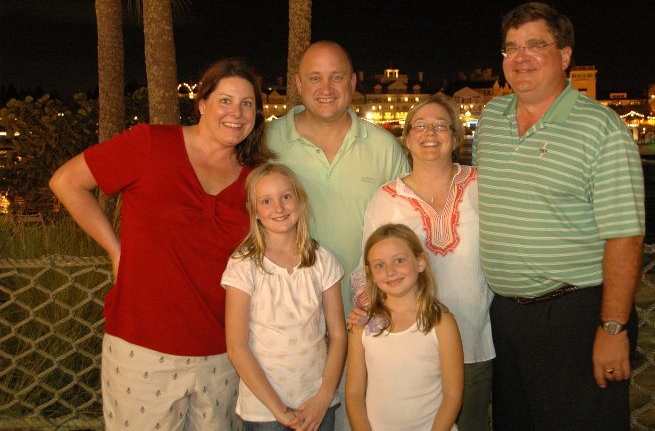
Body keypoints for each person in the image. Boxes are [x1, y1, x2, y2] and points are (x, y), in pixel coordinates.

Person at [49, 57, 270, 430]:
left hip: (223, 351)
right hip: (142, 345)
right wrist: (115, 250)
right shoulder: (151, 143)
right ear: (201, 104)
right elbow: (67, 182)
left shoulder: (255, 179)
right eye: (226, 100)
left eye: (247, 103)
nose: (237, 112)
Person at [473, 2, 645, 430]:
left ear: (564, 56)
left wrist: (612, 327)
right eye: (511, 48)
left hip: (575, 315)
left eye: (535, 45)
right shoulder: (491, 119)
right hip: (505, 318)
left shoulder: (600, 128)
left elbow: (625, 236)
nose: (521, 57)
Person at [265, 40, 408, 430]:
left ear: (353, 82)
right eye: (315, 78)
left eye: (337, 77)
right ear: (297, 83)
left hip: (368, 320)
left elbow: (405, 234)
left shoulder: (383, 147)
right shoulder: (266, 143)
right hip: (289, 328)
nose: (326, 88)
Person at [349, 95, 494, 430]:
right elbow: (366, 269)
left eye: (441, 125)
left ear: (456, 138)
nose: (431, 132)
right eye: (421, 125)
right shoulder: (387, 198)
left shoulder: (481, 185)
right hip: (404, 347)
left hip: (472, 342)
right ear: (407, 137)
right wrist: (365, 307)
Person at [223, 163, 346, 431]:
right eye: (266, 201)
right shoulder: (243, 266)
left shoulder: (322, 260)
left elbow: (338, 335)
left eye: (286, 197)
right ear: (254, 211)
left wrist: (323, 397)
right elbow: (236, 347)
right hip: (264, 410)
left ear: (300, 202)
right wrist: (279, 410)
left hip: (318, 406)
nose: (278, 208)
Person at [345, 223, 464, 431]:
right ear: (370, 273)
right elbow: (354, 394)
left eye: (399, 261)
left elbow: (452, 396)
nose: (390, 271)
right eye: (379, 265)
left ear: (420, 262)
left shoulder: (439, 322)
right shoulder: (364, 324)